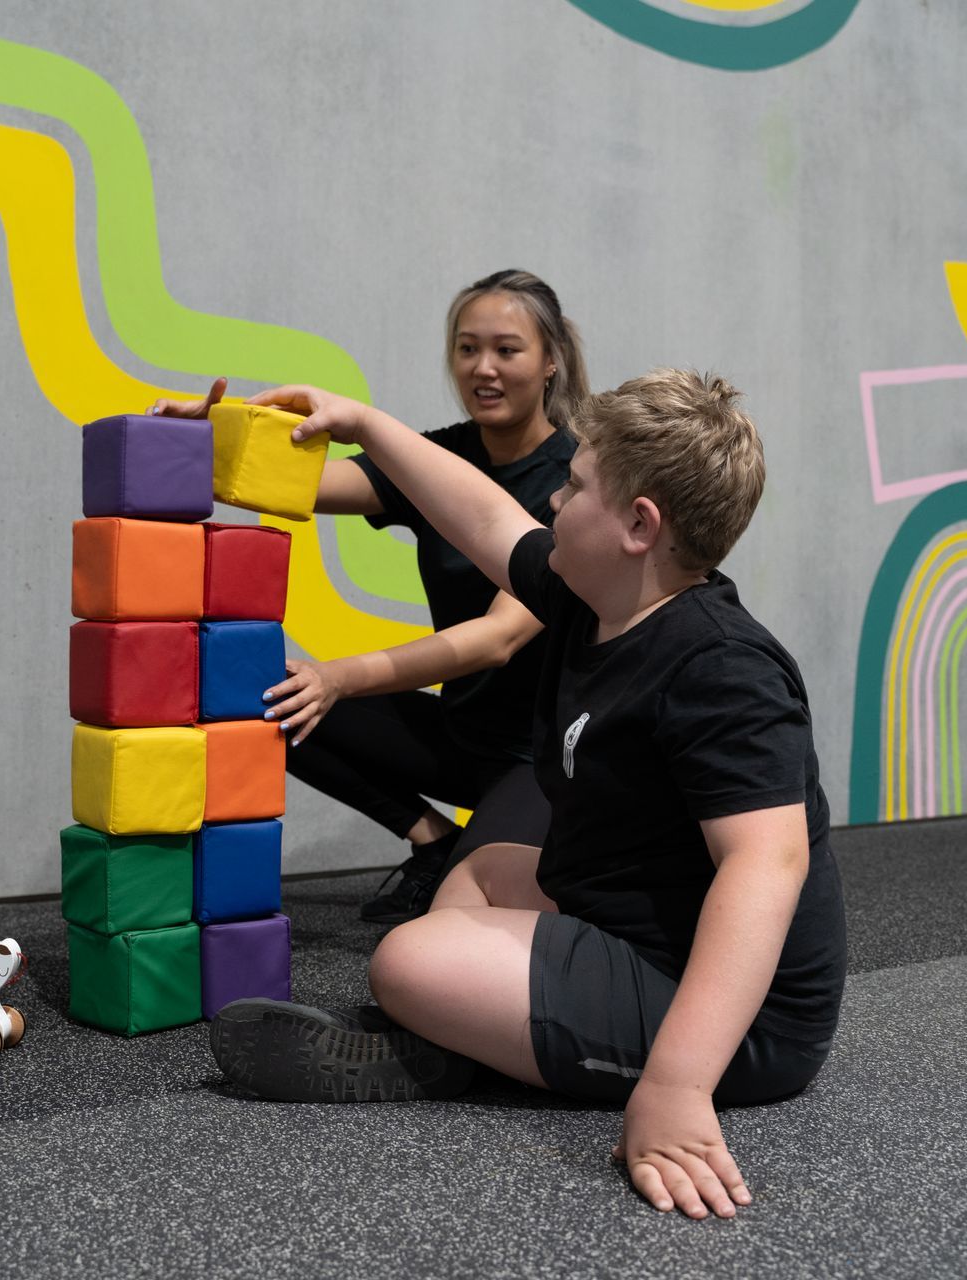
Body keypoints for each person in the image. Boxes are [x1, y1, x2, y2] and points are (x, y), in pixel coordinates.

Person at [208, 370, 847, 1222]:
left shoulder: (721, 670)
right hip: (634, 918)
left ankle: (456, 1046)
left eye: (575, 484)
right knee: (482, 874)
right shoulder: (599, 599)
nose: (552, 497)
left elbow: (767, 867)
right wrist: (361, 419)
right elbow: (480, 516)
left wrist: (677, 1087)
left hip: (745, 1018)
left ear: (638, 525)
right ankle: (462, 1046)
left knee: (406, 960)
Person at [151, 270, 588, 923]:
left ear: (551, 360)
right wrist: (203, 443)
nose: (483, 368)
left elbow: (497, 639)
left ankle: (475, 855)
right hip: (460, 737)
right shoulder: (440, 457)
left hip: (539, 761)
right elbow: (298, 486)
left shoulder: (573, 484)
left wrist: (337, 677)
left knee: (467, 917)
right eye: (467, 349)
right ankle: (430, 839)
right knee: (260, 693)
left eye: (507, 349)